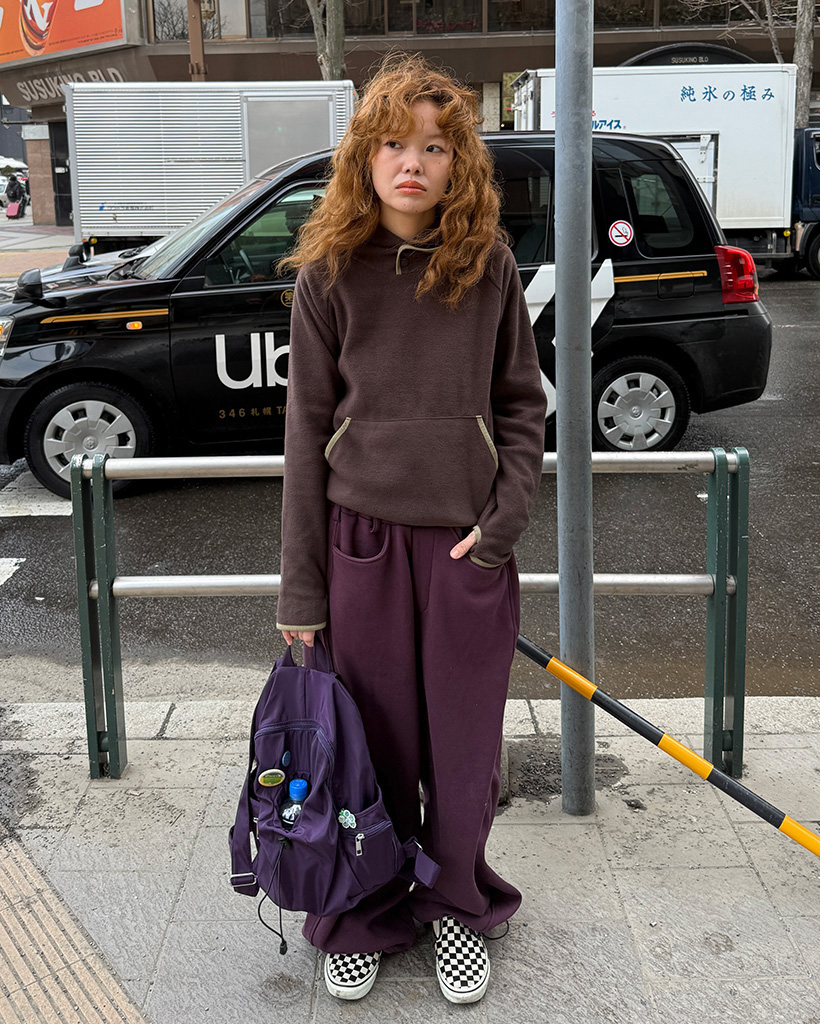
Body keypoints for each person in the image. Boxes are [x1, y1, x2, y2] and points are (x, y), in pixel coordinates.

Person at [276, 54, 547, 1005]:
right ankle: (365, 913)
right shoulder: (328, 275)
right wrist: (302, 592)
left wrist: (503, 526)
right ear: (364, 156)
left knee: (464, 754)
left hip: (467, 549)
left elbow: (522, 406)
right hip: (361, 548)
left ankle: (456, 906)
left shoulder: (489, 265)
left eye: (434, 147)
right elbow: (305, 436)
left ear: (457, 162)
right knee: (373, 748)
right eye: (393, 143)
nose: (412, 163)